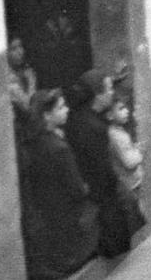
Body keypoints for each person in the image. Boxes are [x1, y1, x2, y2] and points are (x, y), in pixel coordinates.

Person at [20, 89, 98, 279]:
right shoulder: (59, 148)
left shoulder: (29, 143)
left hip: (43, 216)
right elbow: (77, 190)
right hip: (66, 218)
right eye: (61, 107)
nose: (67, 110)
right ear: (47, 115)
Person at [64, 68, 132, 257]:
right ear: (98, 95)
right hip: (101, 191)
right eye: (109, 89)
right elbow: (101, 167)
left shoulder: (78, 117)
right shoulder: (95, 127)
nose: (112, 93)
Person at [104, 97, 145, 241]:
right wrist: (140, 152)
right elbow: (129, 162)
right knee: (136, 212)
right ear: (109, 115)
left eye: (125, 108)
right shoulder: (116, 136)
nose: (126, 111)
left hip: (131, 181)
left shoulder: (117, 131)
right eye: (121, 109)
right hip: (130, 182)